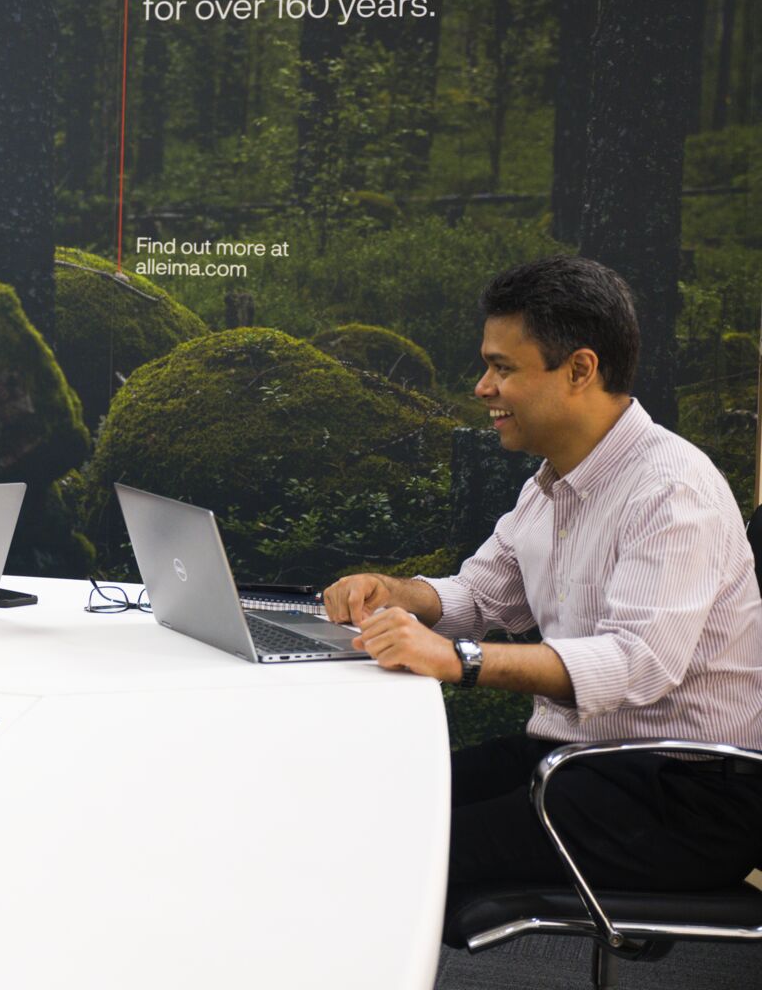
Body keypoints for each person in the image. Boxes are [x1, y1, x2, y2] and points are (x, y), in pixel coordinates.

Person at [321, 256, 762, 934]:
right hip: (575, 763)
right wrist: (397, 594)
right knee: (364, 810)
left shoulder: (673, 491)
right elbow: (478, 594)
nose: (482, 387)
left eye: (503, 368)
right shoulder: (552, 482)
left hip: (681, 800)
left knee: (392, 858)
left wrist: (460, 660)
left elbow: (636, 664)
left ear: (580, 369)